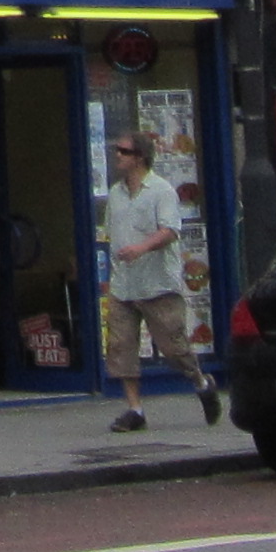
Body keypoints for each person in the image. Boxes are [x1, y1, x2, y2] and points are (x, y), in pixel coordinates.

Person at [98, 131, 216, 431]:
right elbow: (111, 230)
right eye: (117, 151)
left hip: (158, 284)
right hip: (124, 284)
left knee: (173, 348)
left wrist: (141, 247)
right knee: (121, 347)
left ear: (140, 157)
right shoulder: (115, 192)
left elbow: (170, 231)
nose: (118, 156)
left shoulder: (161, 190)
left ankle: (202, 383)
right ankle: (135, 410)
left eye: (124, 151)